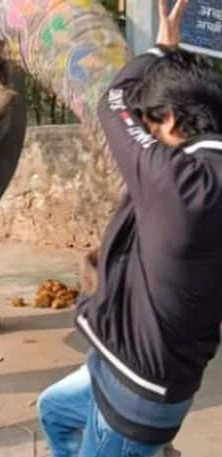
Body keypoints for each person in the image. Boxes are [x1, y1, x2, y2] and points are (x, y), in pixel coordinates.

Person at [37, 0, 222, 455]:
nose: (142, 133)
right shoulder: (198, 173)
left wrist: (159, 51)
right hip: (137, 366)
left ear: (172, 120)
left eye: (148, 123)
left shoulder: (177, 182)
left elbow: (114, 99)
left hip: (135, 392)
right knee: (54, 411)